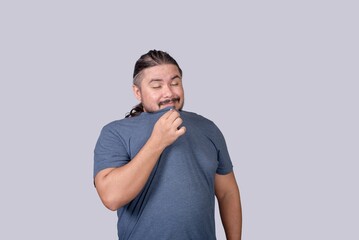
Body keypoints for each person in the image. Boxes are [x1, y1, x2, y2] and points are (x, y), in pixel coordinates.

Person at [94, 50, 242, 240]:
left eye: (175, 83)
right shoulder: (115, 132)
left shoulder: (208, 128)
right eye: (157, 86)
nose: (169, 93)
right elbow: (111, 197)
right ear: (137, 92)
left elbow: (227, 193)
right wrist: (157, 141)